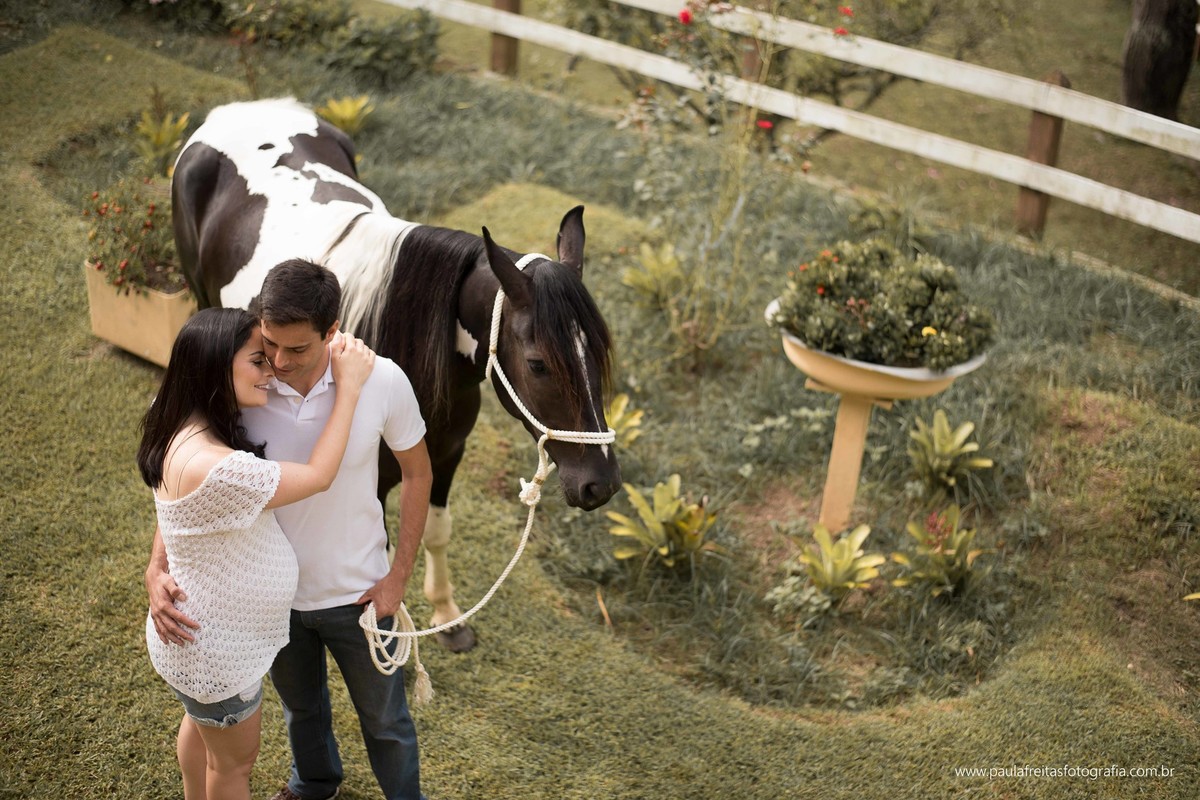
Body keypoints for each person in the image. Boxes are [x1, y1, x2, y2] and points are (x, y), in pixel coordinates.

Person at [146, 259, 433, 800]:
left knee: (386, 724)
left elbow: (418, 472)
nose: (277, 362)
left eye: (296, 350)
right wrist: (158, 564)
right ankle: (313, 784)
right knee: (301, 709)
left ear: (332, 331)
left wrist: (398, 576)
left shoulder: (381, 380)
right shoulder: (243, 385)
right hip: (274, 606)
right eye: (269, 345)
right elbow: (184, 480)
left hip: (360, 593)